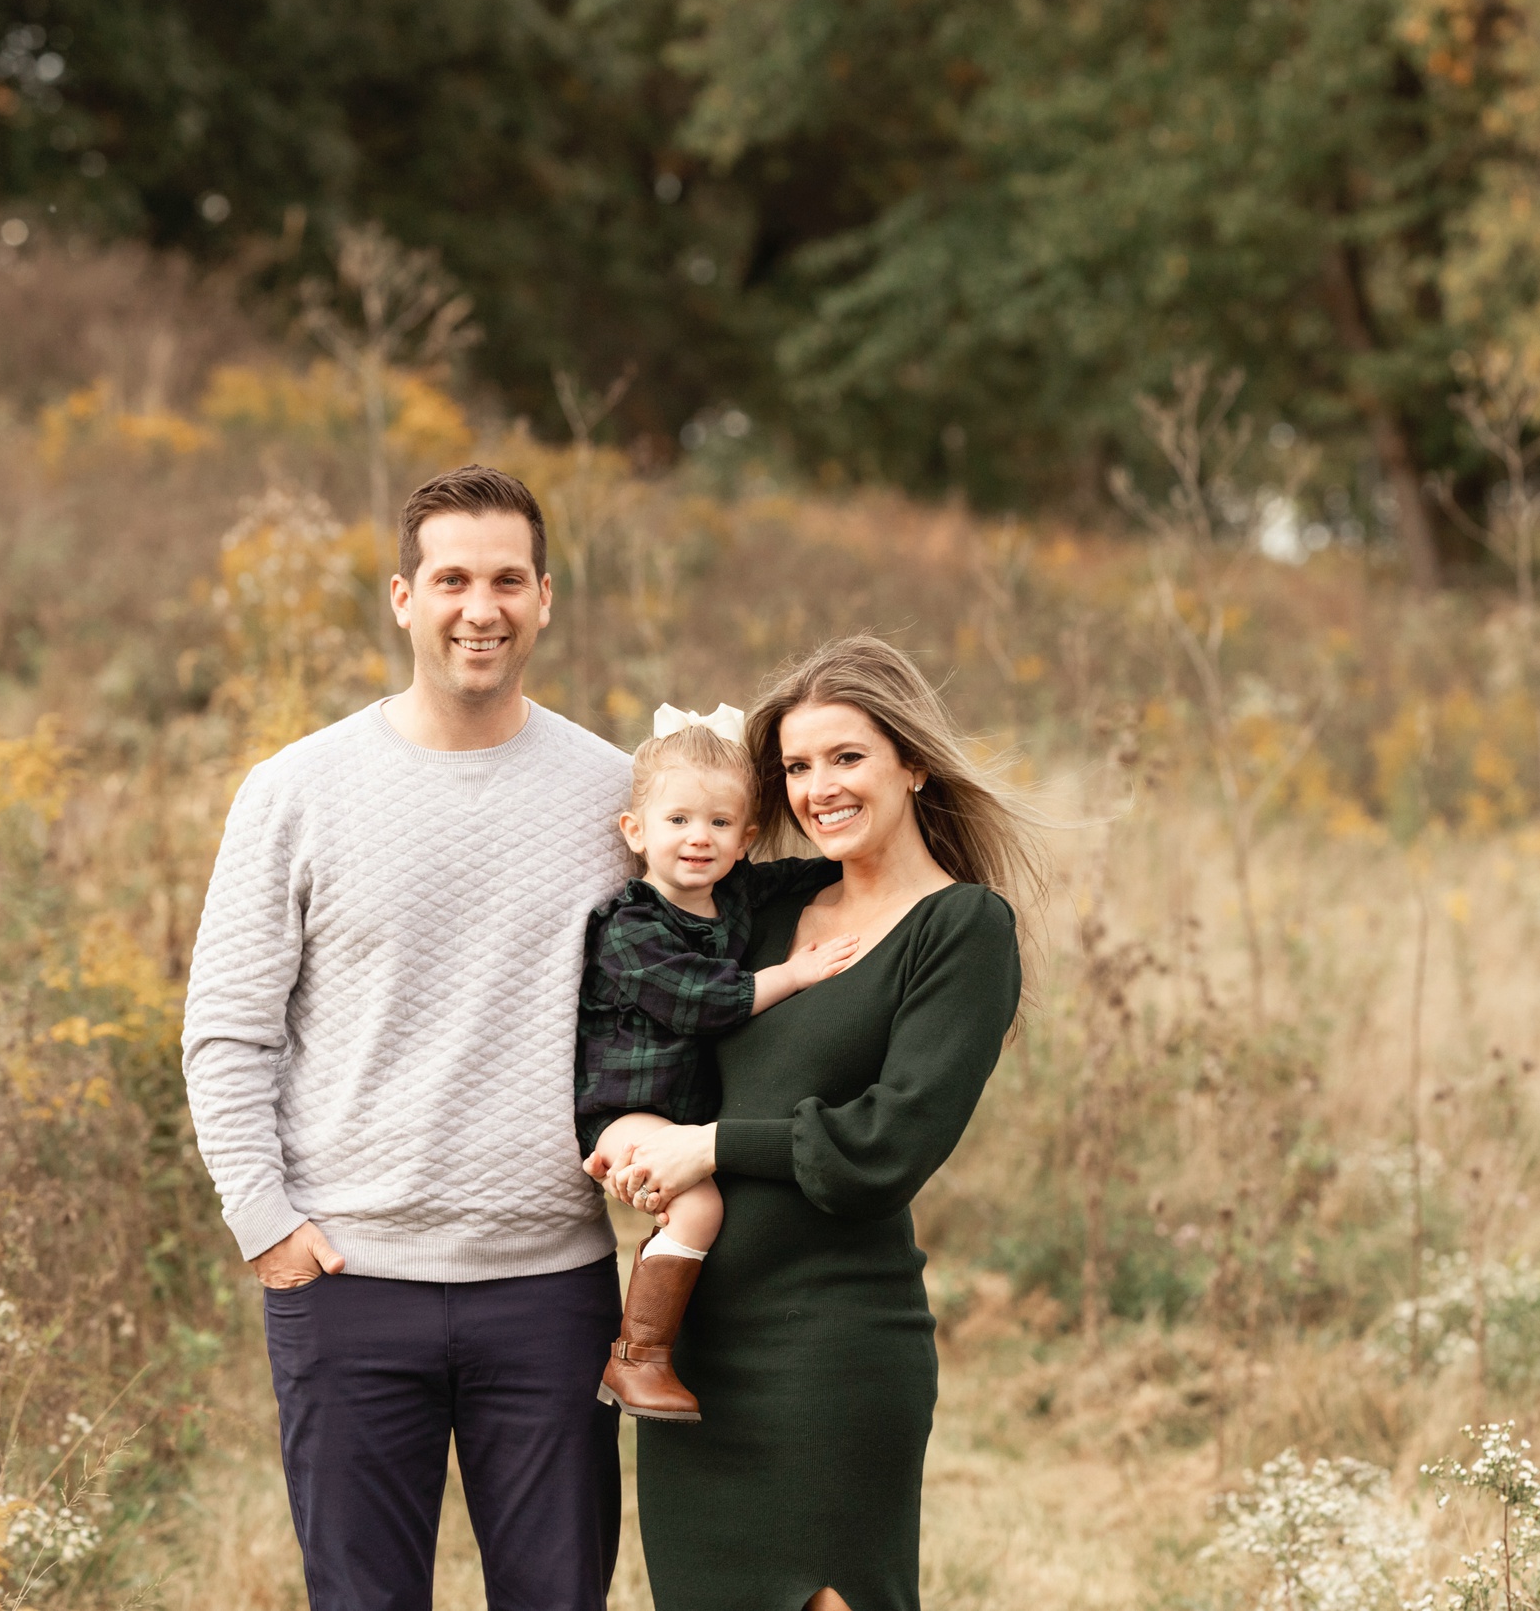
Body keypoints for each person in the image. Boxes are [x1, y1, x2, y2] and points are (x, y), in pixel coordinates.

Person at [180, 465, 635, 1611]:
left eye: (504, 580)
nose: (477, 606)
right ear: (402, 596)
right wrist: (265, 1223)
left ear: (545, 599)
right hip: (346, 1280)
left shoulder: (616, 796)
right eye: (450, 579)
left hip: (550, 1284)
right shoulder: (296, 789)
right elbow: (229, 1029)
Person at [611, 635, 1040, 1611]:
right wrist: (638, 1134)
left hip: (831, 1356)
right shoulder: (766, 904)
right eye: (797, 767)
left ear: (912, 760)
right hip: (696, 1350)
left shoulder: (961, 928)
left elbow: (880, 1149)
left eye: (846, 757)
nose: (818, 788)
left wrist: (707, 1146)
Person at [574, 710, 860, 1422]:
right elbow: (703, 1001)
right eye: (677, 821)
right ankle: (637, 1359)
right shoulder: (629, 928)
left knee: (705, 1210)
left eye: (720, 824)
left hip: (683, 1116)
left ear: (745, 839)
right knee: (701, 1205)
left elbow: (808, 872)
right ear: (636, 832)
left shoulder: (732, 895)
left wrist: (871, 851)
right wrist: (794, 974)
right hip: (625, 1109)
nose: (699, 838)